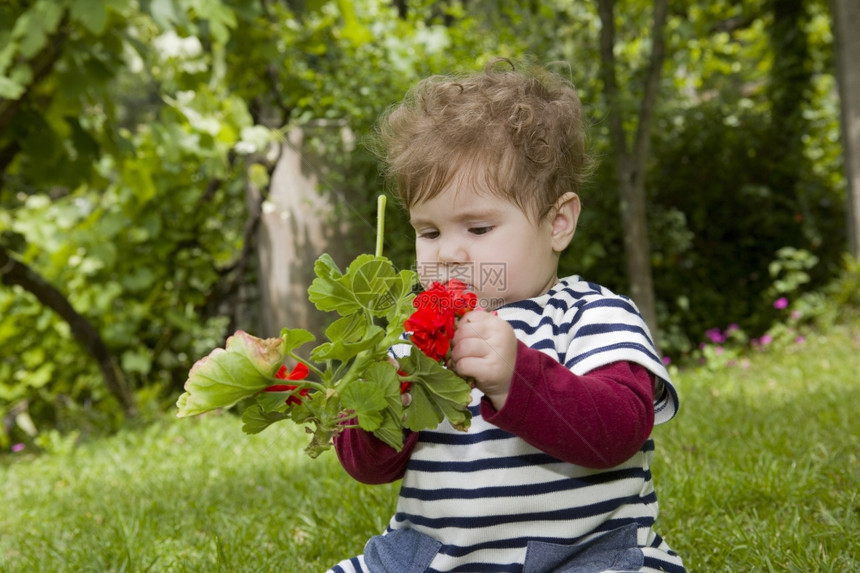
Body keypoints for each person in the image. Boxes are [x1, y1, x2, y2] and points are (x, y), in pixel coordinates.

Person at [328, 58, 685, 573]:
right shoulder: (411, 338)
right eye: (428, 233)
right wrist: (384, 400)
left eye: (477, 229)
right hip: (435, 558)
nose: (448, 254)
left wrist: (518, 375)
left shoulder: (591, 314)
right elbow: (366, 466)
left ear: (557, 222)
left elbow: (619, 430)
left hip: (581, 553)